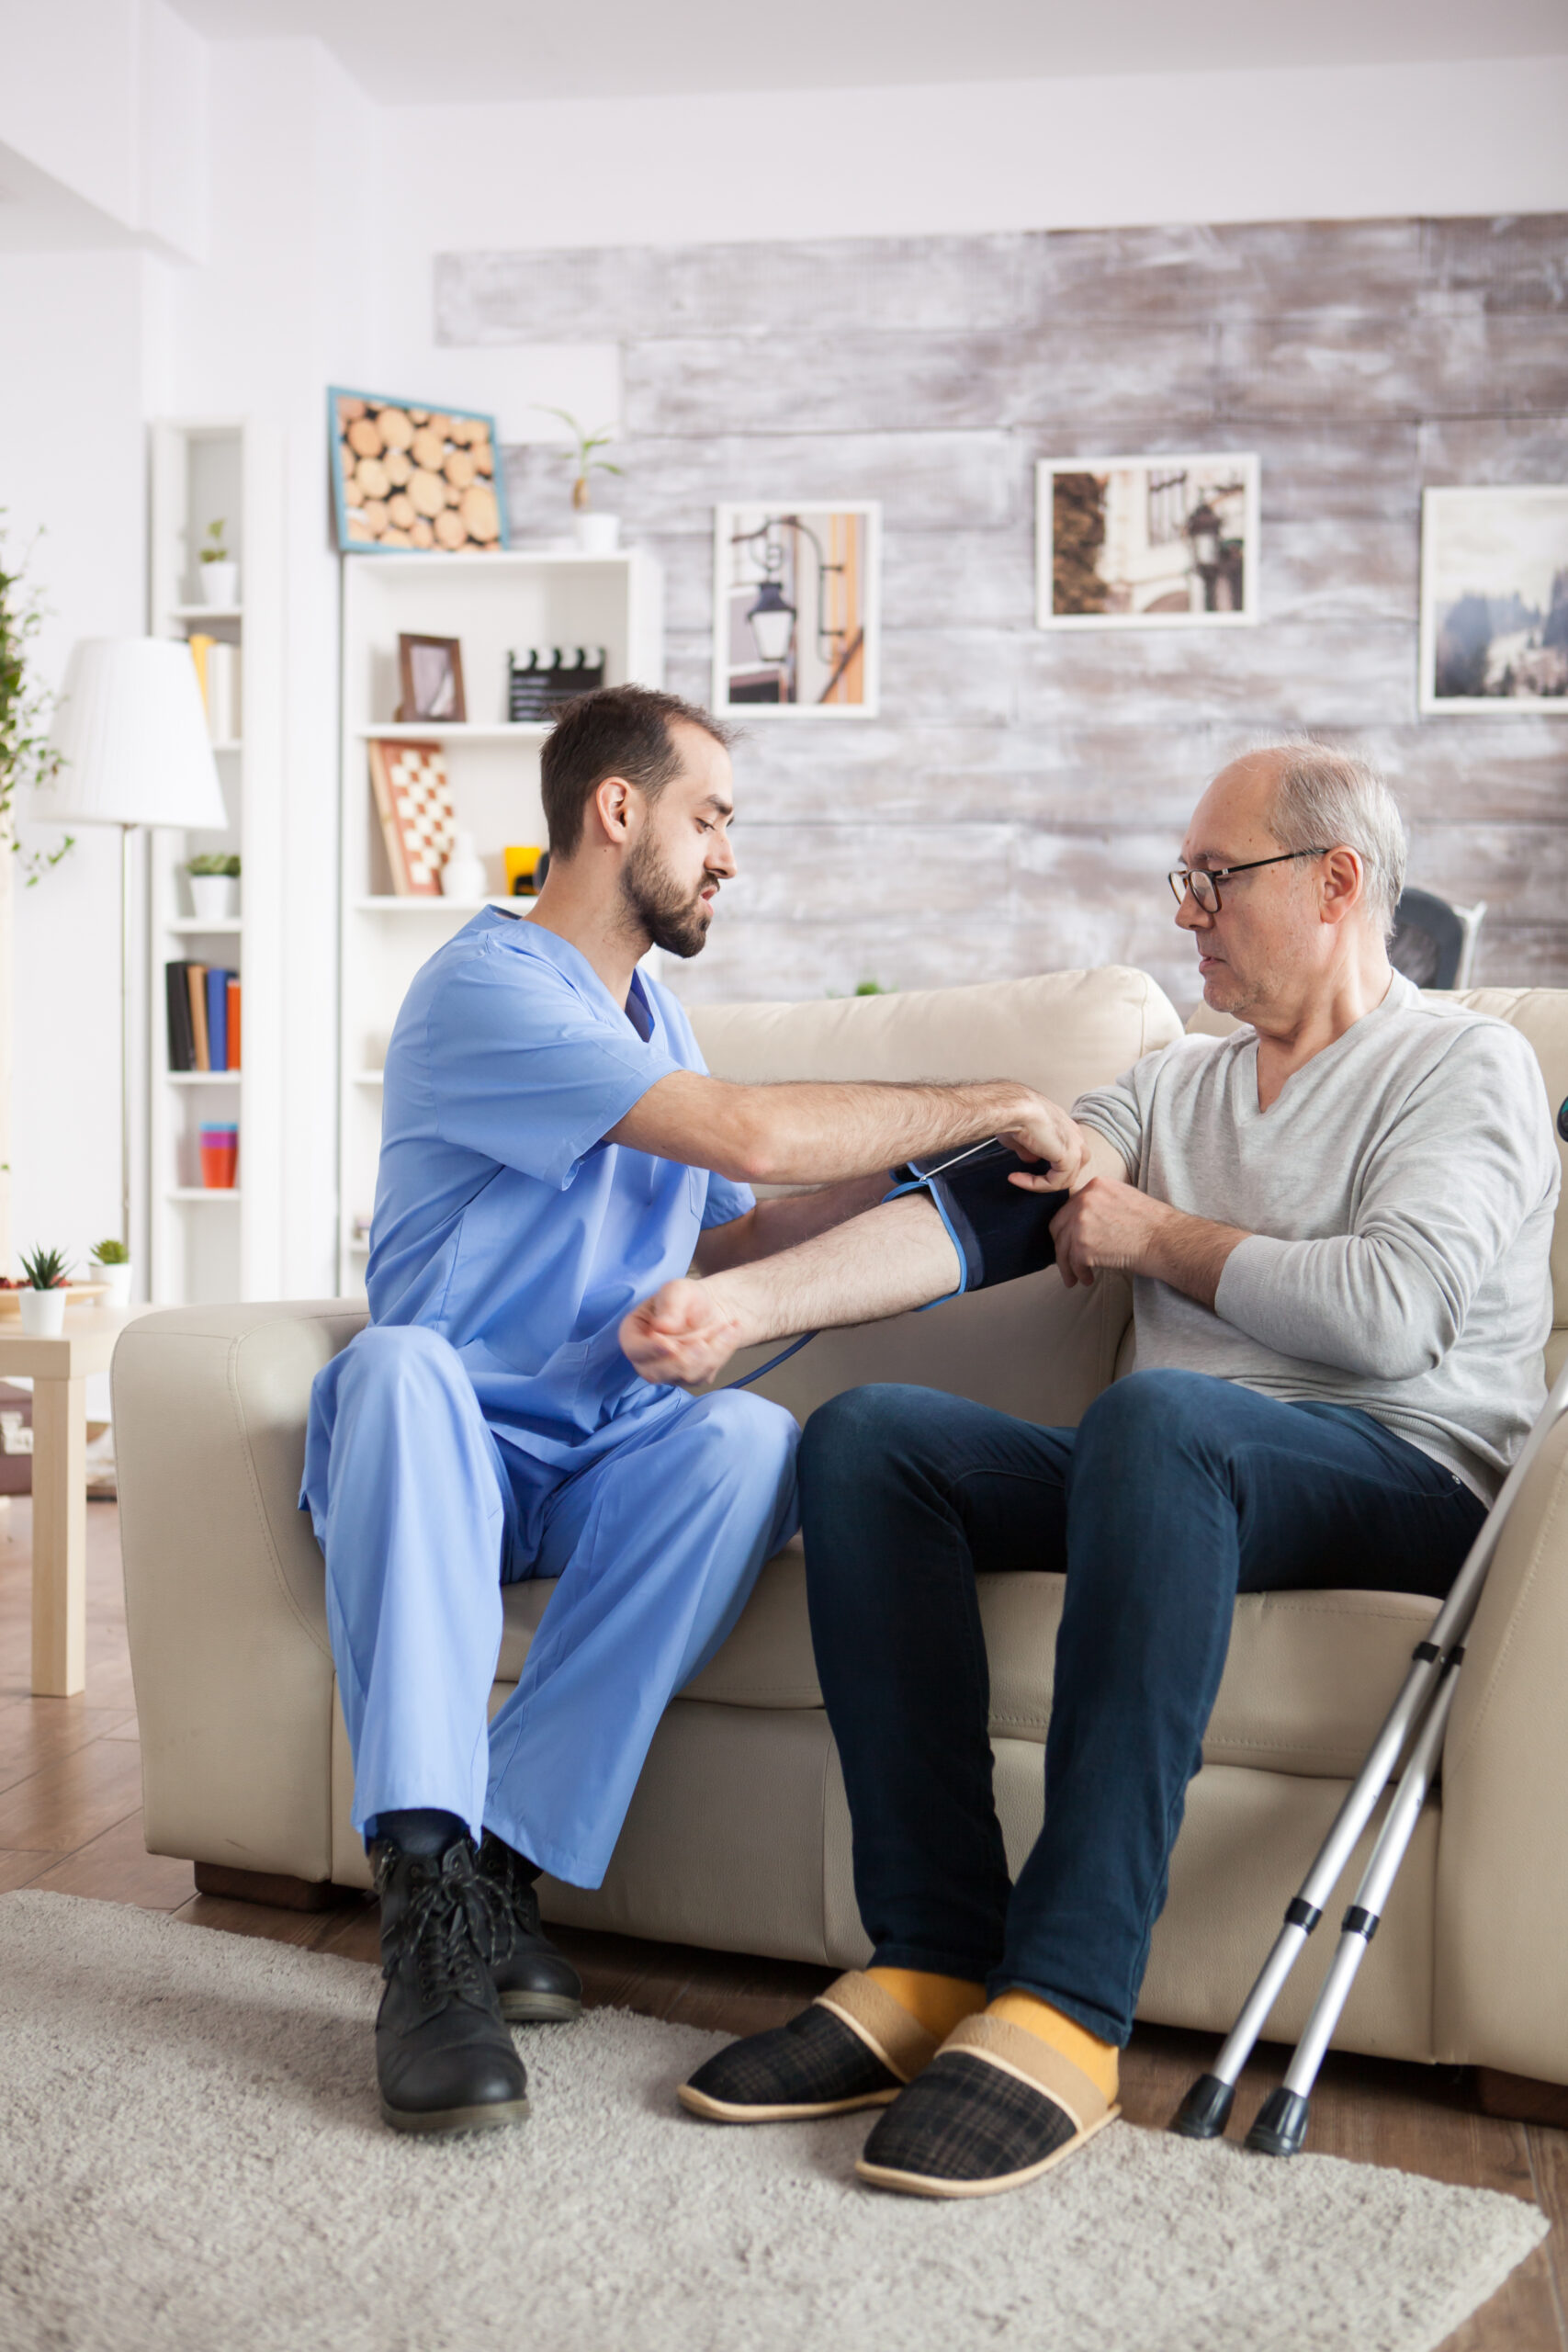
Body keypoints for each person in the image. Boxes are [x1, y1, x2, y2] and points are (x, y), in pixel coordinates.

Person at [621, 741, 1559, 2201]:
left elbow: (1392, 1314)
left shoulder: (1465, 1065)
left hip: (1408, 1472)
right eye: (1181, 881)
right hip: (1174, 1466)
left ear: (1337, 882)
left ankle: (1067, 2002)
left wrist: (1157, 1241)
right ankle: (931, 1959)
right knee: (873, 1445)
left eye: (1214, 878)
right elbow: (979, 1218)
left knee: (1159, 1419)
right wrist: (748, 1304)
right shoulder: (1171, 1083)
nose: (1186, 910)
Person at [301, 683, 1092, 2137]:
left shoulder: (655, 1009)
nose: (729, 854)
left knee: (748, 1438)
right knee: (394, 1367)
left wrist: (945, 1195)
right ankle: (422, 1911)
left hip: (600, 1450)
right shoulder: (485, 988)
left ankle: (498, 1872)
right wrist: (993, 1098)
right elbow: (745, 1132)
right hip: (445, 1449)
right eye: (711, 818)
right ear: (618, 811)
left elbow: (729, 1230)